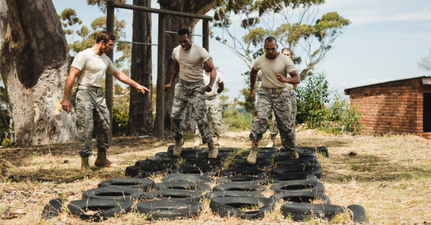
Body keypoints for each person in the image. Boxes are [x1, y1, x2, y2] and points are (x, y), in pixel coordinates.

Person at [61, 31, 151, 171]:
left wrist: (136, 85)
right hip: (84, 93)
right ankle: (85, 163)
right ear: (102, 42)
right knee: (86, 127)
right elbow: (72, 75)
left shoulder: (105, 59)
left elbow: (118, 74)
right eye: (109, 45)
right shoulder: (84, 55)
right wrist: (66, 98)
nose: (111, 48)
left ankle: (101, 158)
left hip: (98, 93)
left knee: (105, 125)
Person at [163, 28, 218, 158]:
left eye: (185, 41)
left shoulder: (200, 51)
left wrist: (210, 84)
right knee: (174, 116)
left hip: (197, 87)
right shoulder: (176, 51)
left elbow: (213, 69)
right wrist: (170, 83)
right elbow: (176, 68)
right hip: (182, 85)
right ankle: (178, 140)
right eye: (181, 41)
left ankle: (211, 146)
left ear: (190, 38)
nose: (183, 44)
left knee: (200, 118)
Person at [247, 37, 300, 165]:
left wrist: (285, 80)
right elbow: (253, 72)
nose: (270, 51)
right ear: (264, 48)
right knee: (260, 118)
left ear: (277, 47)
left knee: (285, 125)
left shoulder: (285, 60)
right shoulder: (260, 60)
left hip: (281, 93)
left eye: (273, 49)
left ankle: (292, 149)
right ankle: (254, 149)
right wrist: (252, 89)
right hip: (265, 92)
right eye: (267, 49)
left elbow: (297, 78)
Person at [266, 48, 297, 147]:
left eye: (288, 54)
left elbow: (295, 83)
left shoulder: (294, 68)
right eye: (284, 54)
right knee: (275, 119)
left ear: (290, 56)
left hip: (290, 94)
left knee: (291, 119)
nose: (286, 56)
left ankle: (291, 142)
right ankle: (272, 140)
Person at [193, 58, 224, 147]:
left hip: (214, 99)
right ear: (204, 64)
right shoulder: (200, 75)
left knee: (216, 120)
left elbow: (221, 87)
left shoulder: (218, 74)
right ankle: (198, 139)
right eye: (206, 63)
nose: (208, 64)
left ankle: (219, 139)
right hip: (203, 99)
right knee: (200, 120)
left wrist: (215, 93)